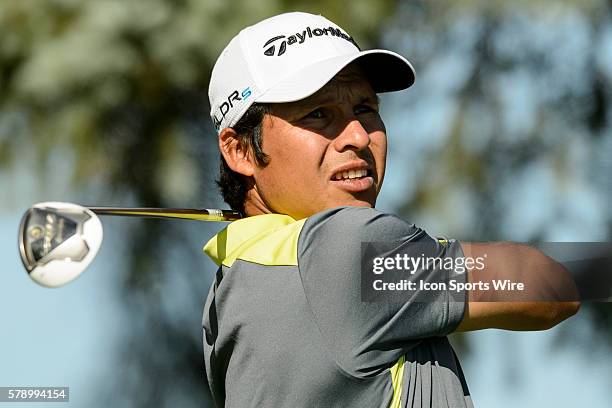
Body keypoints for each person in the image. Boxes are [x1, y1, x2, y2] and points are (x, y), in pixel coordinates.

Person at [202, 12, 580, 408]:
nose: (358, 136)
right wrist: (429, 254)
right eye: (317, 114)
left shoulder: (227, 292)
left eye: (365, 108)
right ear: (239, 150)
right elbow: (554, 287)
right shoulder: (347, 248)